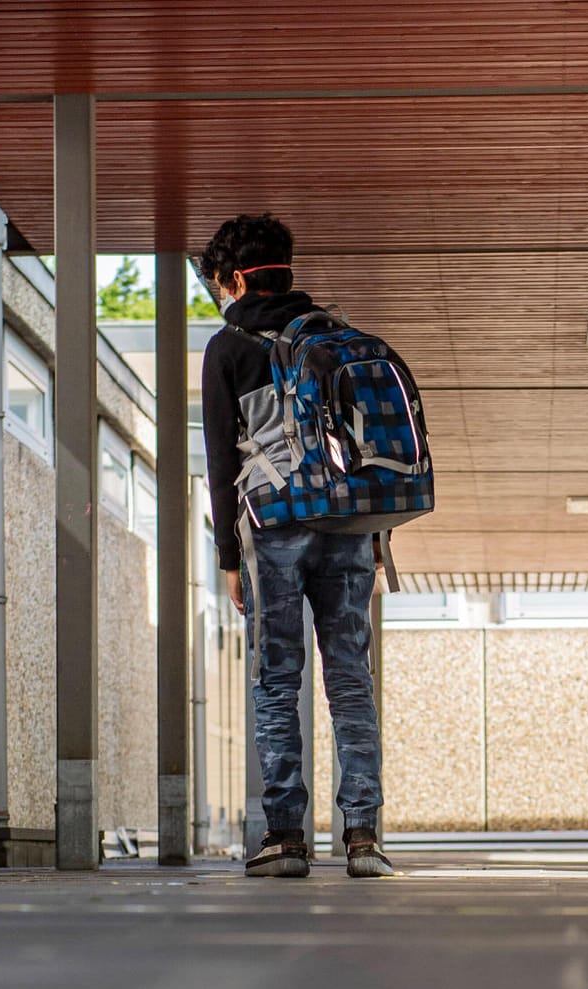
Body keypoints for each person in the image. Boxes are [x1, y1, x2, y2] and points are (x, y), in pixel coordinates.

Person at [199, 213, 393, 878]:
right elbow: (369, 449)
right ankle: (363, 837)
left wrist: (229, 555)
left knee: (277, 683)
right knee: (350, 682)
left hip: (273, 527)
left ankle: (285, 837)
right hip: (347, 529)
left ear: (230, 280)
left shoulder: (229, 346)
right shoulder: (337, 338)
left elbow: (221, 459)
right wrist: (375, 541)